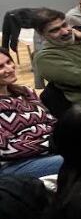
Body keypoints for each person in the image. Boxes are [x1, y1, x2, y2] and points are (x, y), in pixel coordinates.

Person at [0, 47, 63, 178]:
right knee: (78, 161)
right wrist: (49, 143)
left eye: (9, 62)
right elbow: (6, 149)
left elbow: (51, 121)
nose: (10, 69)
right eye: (1, 67)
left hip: (49, 150)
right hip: (15, 164)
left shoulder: (25, 92)